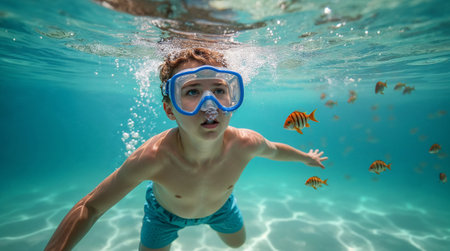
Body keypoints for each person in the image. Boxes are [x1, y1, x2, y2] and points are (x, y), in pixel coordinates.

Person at [45, 48, 328, 251]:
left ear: (232, 96)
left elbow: (276, 150)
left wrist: (306, 158)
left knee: (238, 243)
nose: (210, 105)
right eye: (192, 92)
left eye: (219, 90)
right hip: (163, 216)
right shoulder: (152, 158)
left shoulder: (245, 143)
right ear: (170, 109)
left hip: (222, 208)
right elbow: (91, 206)